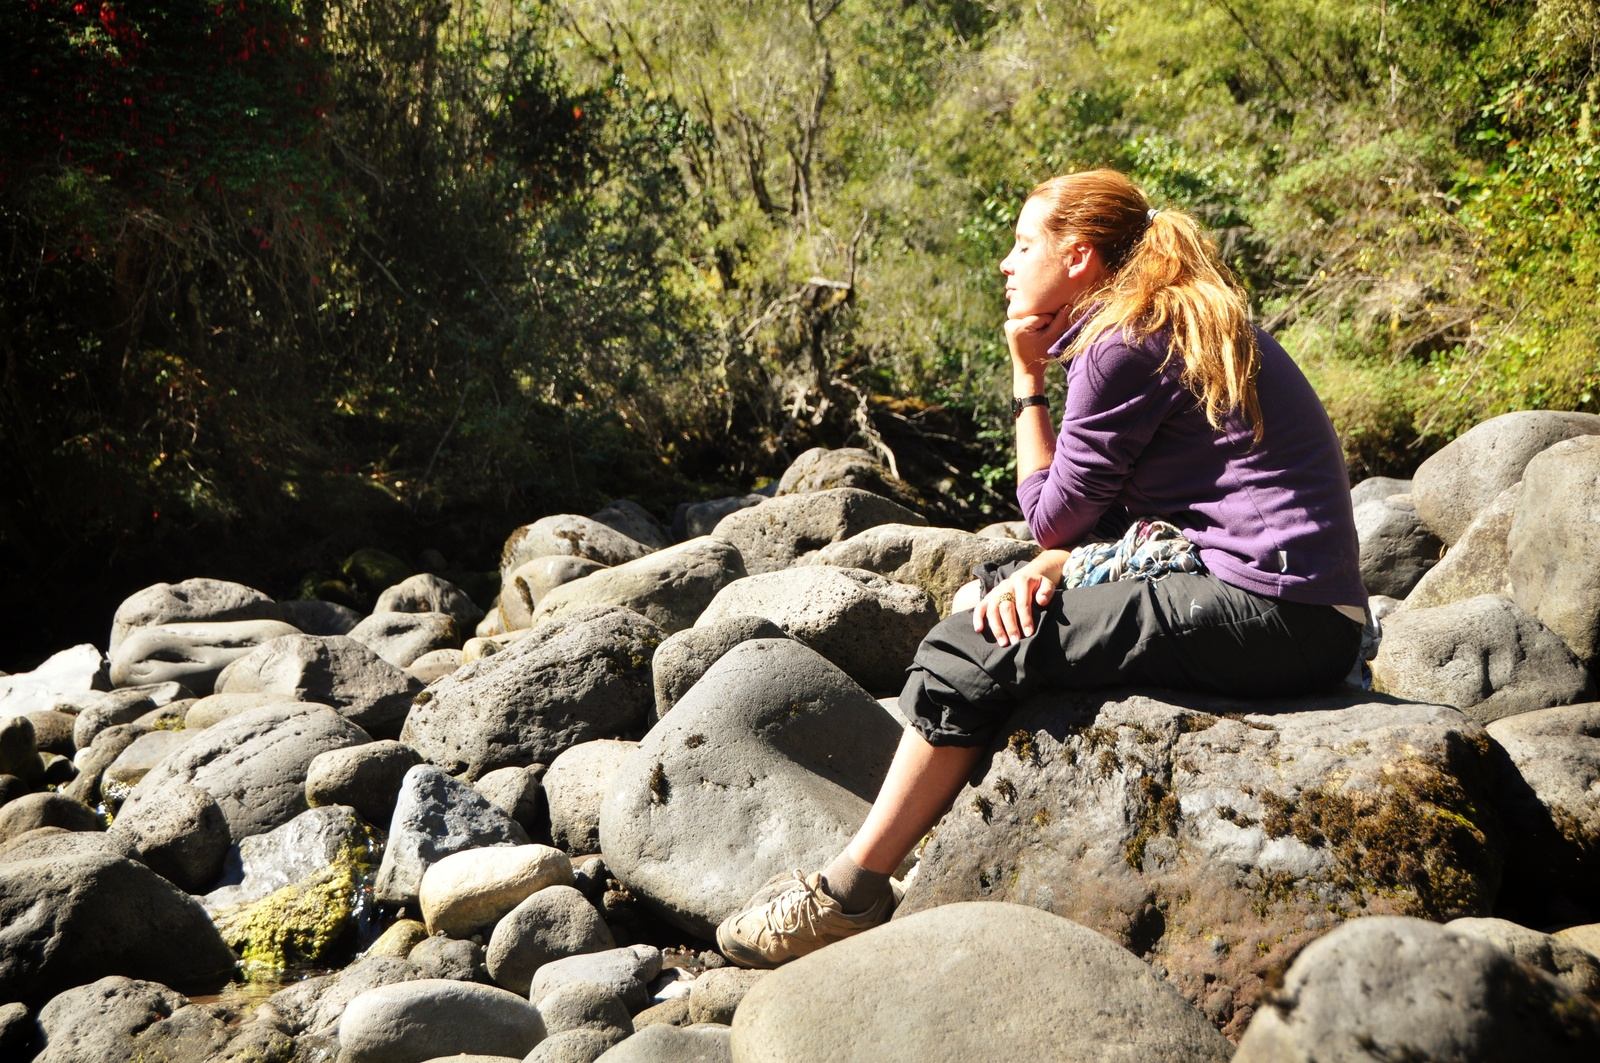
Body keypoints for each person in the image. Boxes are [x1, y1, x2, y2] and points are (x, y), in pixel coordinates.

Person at [715, 168, 1366, 969]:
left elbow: (1055, 514)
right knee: (1002, 595)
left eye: (1025, 245)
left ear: (1082, 257)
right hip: (1303, 610)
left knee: (971, 645)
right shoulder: (1169, 320)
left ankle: (852, 890)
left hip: (1273, 613)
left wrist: (1027, 378)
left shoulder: (1121, 345)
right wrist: (1059, 565)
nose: (1007, 263)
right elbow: (1118, 516)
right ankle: (927, 835)